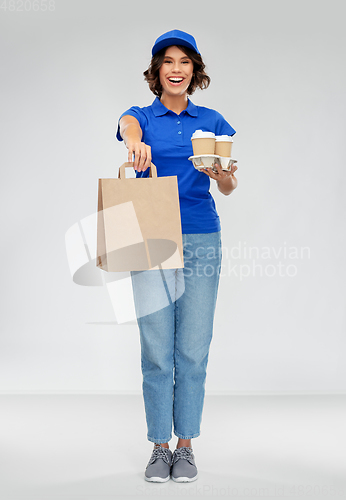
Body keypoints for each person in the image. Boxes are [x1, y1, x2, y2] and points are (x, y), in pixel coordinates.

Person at [116, 29, 238, 483]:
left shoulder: (213, 121)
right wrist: (134, 143)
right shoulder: (142, 117)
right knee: (155, 348)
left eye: (184, 62)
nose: (176, 69)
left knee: (192, 348)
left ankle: (185, 445)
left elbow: (227, 187)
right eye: (168, 61)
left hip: (202, 237)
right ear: (156, 70)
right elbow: (125, 124)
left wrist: (222, 175)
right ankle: (158, 445)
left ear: (194, 70)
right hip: (149, 234)